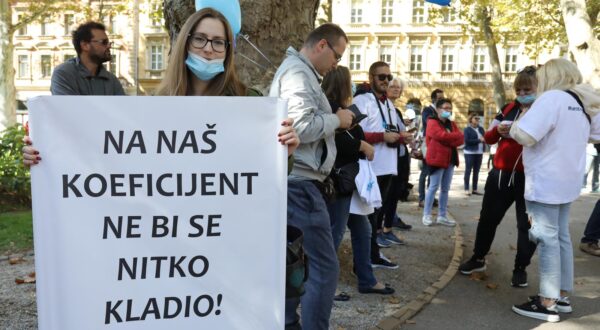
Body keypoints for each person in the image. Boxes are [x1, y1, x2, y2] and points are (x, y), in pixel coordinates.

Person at [269, 23, 354, 330]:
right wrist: (338, 119)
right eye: (337, 56)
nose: (337, 65)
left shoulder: (301, 73)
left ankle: (290, 323)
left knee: (295, 262)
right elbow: (299, 128)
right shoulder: (298, 74)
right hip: (300, 184)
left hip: (297, 183)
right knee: (324, 267)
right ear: (321, 45)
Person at [510, 58, 600, 322]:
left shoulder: (552, 99)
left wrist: (517, 123)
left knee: (546, 238)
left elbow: (525, 135)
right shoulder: (581, 102)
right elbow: (596, 134)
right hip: (568, 180)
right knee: (560, 237)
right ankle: (560, 296)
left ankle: (547, 302)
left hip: (546, 180)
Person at [458, 67, 538, 289]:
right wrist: (499, 131)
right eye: (519, 89)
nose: (522, 93)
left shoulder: (543, 110)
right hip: (500, 174)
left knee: (527, 225)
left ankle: (520, 268)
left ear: (538, 89)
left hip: (529, 177)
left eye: (527, 89)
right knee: (488, 218)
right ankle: (478, 258)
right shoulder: (508, 108)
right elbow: (489, 137)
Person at [322, 66, 393, 300]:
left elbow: (354, 135)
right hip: (340, 180)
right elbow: (337, 142)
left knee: (363, 229)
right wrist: (361, 145)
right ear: (342, 84)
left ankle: (367, 279)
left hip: (352, 181)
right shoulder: (329, 110)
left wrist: (360, 142)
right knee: (335, 232)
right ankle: (325, 285)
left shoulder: (341, 109)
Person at [354, 61, 412, 268]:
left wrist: (403, 137)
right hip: (371, 167)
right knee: (368, 217)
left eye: (389, 77)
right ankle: (368, 258)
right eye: (381, 77)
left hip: (388, 166)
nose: (386, 81)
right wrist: (382, 136)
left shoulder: (388, 103)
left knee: (377, 215)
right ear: (371, 78)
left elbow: (391, 132)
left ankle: (373, 254)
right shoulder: (362, 100)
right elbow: (356, 133)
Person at [50, 21, 125, 96]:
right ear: (85, 45)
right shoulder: (63, 73)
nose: (109, 46)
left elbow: (122, 106)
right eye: (104, 42)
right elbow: (67, 106)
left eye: (108, 42)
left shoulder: (111, 80)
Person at [421, 98, 463, 227]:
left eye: (450, 108)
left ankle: (442, 216)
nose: (448, 111)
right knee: (433, 187)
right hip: (437, 160)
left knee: (445, 189)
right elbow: (440, 136)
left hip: (450, 160)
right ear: (438, 109)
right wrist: (451, 137)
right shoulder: (432, 122)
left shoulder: (452, 123)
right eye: (445, 108)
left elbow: (460, 139)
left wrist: (448, 138)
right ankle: (426, 215)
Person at [384, 77, 413, 230]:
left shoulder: (396, 111)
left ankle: (388, 227)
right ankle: (382, 229)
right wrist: (402, 136)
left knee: (395, 194)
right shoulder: (382, 108)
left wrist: (406, 137)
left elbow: (399, 132)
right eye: (393, 86)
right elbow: (387, 132)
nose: (396, 89)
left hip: (400, 156)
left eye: (398, 87)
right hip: (389, 156)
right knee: (386, 196)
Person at [418, 88, 444, 207]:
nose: (441, 100)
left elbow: (448, 122)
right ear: (433, 99)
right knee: (425, 171)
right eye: (439, 98)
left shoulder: (442, 110)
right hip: (428, 142)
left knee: (433, 172)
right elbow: (429, 124)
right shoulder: (427, 110)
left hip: (438, 143)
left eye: (442, 98)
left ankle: (431, 198)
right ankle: (422, 198)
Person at [463, 113, 485, 195]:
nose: (477, 120)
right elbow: (467, 141)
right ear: (471, 119)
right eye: (476, 118)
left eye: (478, 118)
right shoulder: (467, 129)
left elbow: (485, 138)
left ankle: (475, 189)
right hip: (469, 152)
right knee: (468, 170)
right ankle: (466, 189)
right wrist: (479, 140)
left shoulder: (481, 129)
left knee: (476, 171)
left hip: (479, 152)